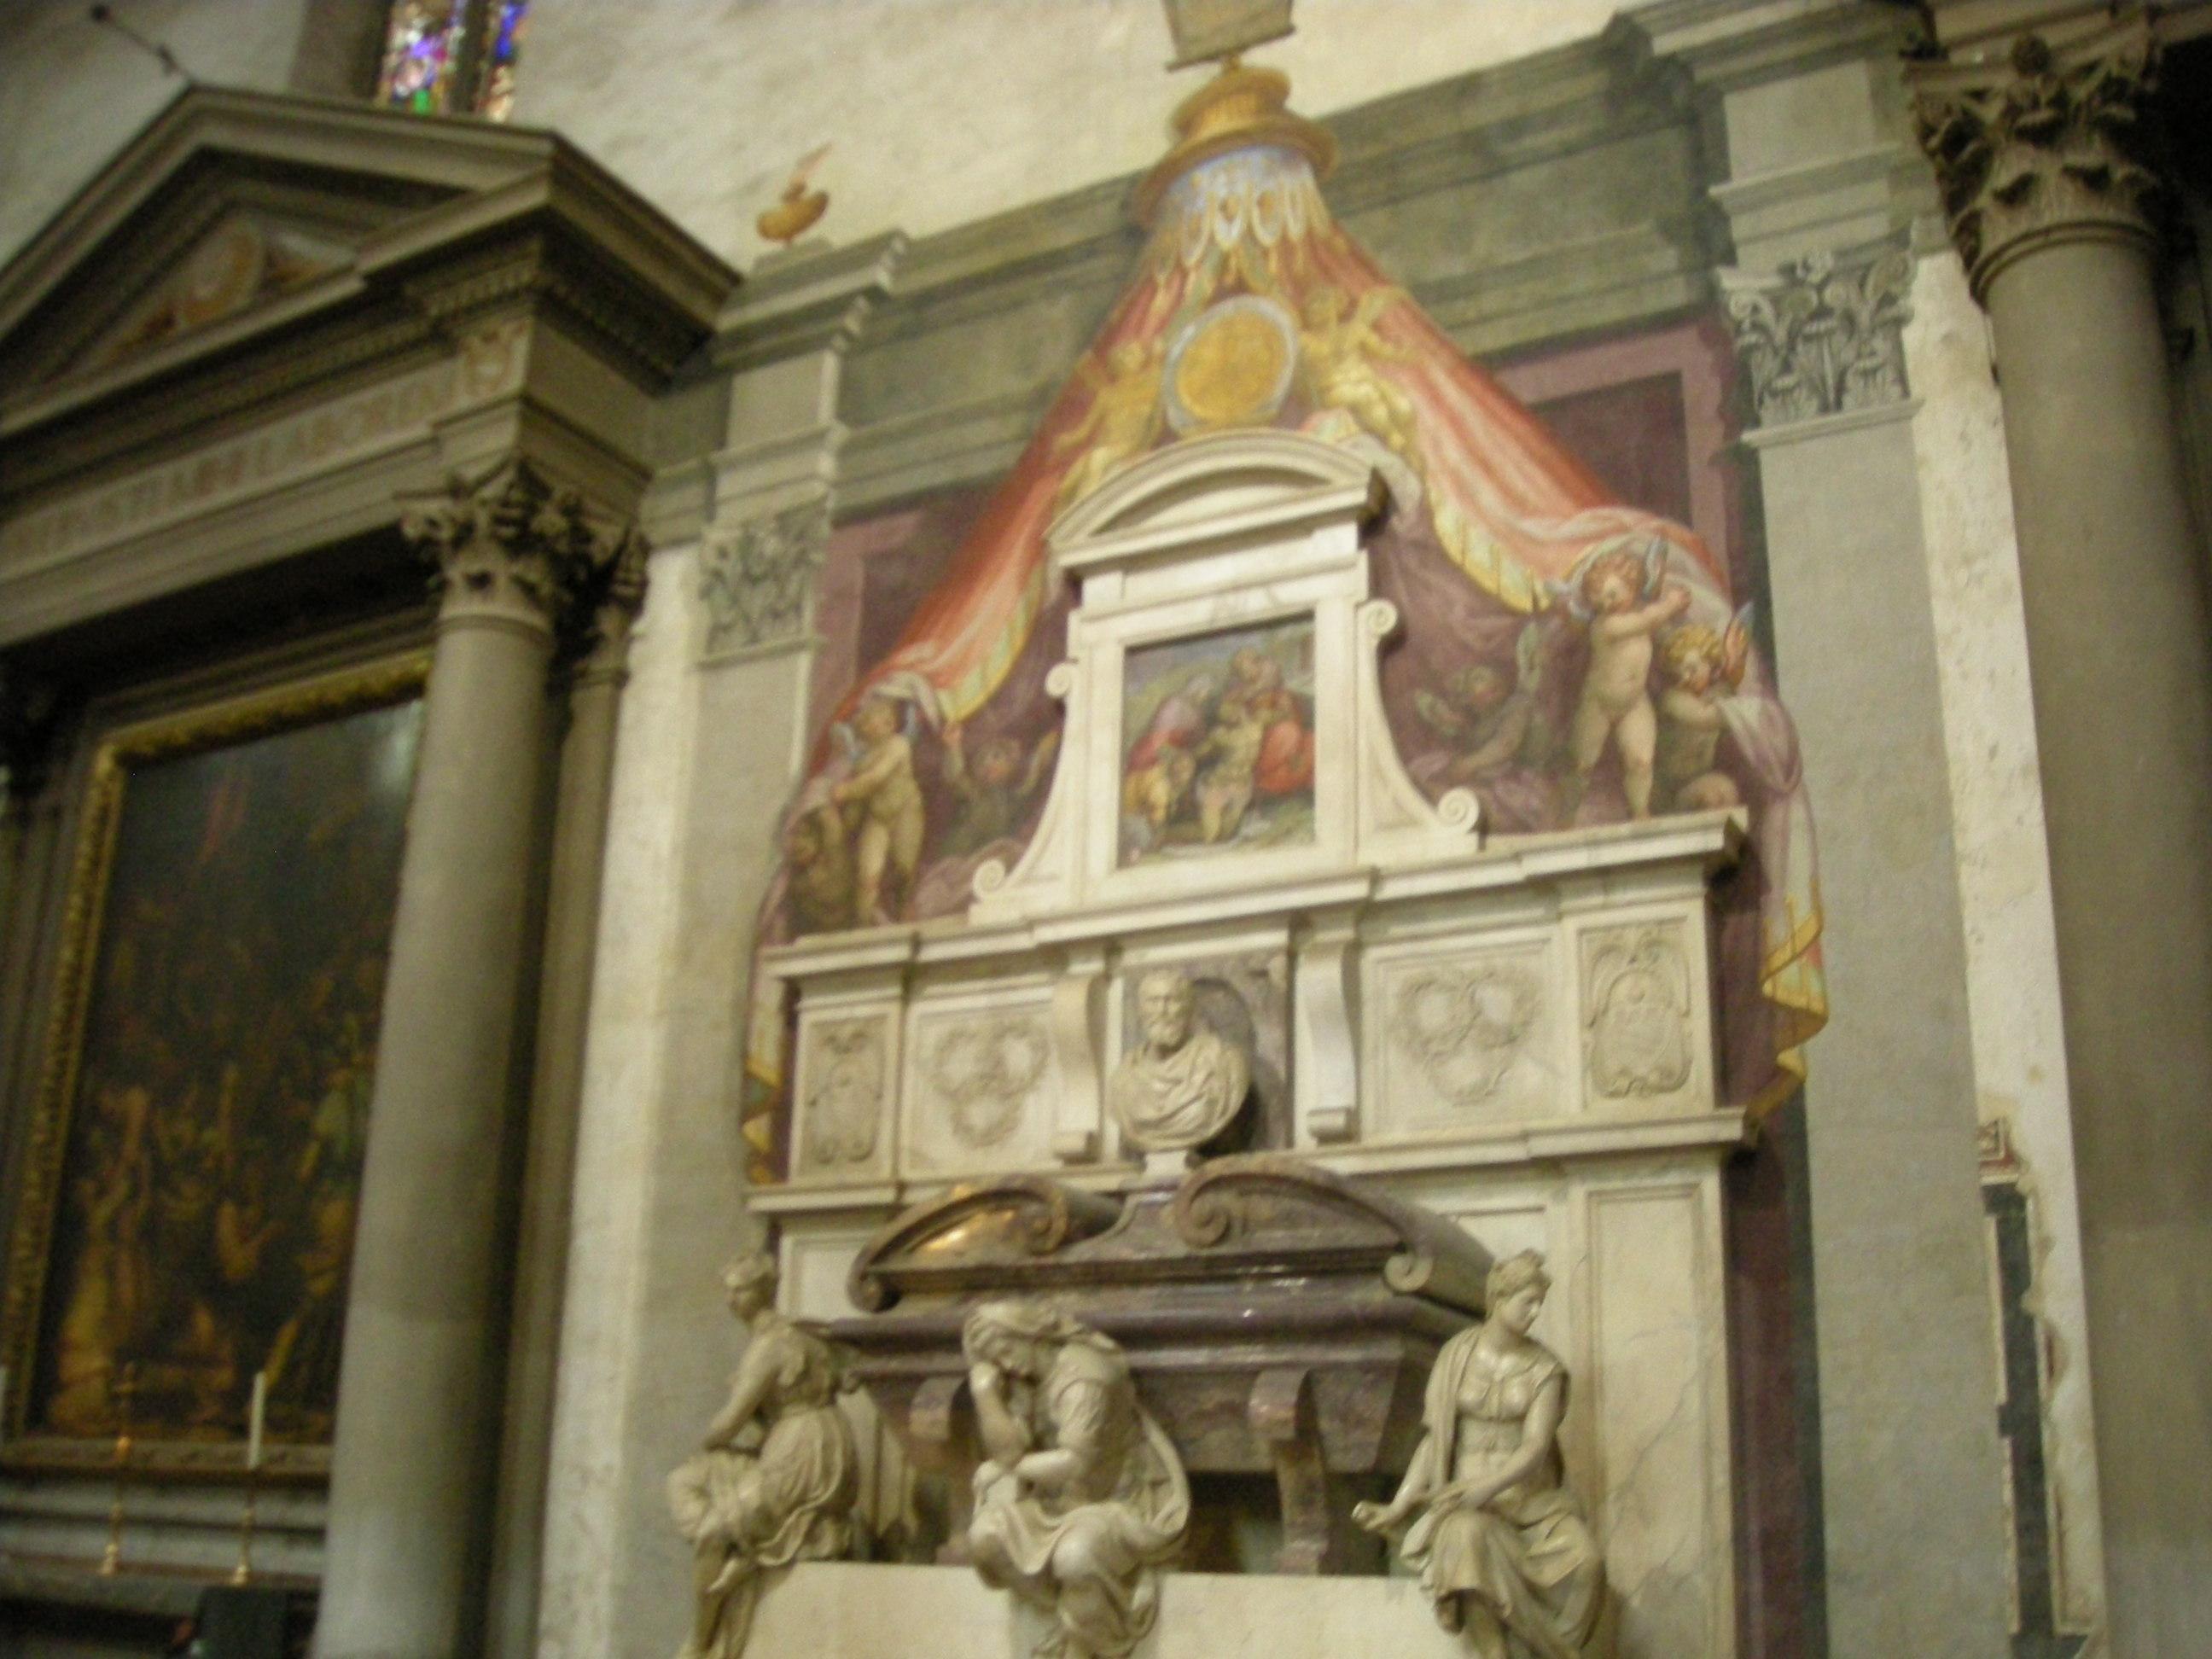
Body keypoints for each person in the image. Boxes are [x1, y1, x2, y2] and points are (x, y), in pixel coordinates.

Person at [1353, 1251, 1607, 1658]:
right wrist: (1398, 1507)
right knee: (1465, 1536)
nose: (1535, 1312)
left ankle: (1552, 1651)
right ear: (1499, 1298)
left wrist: (1487, 1487)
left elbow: (1535, 1446)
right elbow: (1436, 1440)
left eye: (1540, 1303)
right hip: (1463, 1504)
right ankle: (1495, 1653)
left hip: (1530, 1505)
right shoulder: (1456, 1355)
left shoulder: (1545, 1370)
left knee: (1587, 1562)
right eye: (1528, 1302)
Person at [963, 1301, 1190, 1659]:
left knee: (1076, 1556)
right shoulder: (1026, 1380)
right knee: (984, 1540)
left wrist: (1010, 1469)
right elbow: (1009, 1451)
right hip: (1053, 1507)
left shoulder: (1084, 1378)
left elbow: (1075, 1463)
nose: (1005, 1363)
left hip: (1117, 1506)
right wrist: (985, 1394)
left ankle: (1089, 1642)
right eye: (995, 1358)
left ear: (1029, 1334)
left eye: (1006, 1350)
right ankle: (1075, 1617)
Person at [667, 1250, 859, 1659]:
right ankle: (741, 1558)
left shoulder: (771, 1345)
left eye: (740, 1290)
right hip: (815, 1441)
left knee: (713, 1527)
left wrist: (710, 1445)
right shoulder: (796, 1333)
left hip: (802, 1451)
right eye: (729, 1291)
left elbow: (729, 1422)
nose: (731, 1300)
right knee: (693, 1485)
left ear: (764, 1290)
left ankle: (701, 1641)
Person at [1561, 544, 1690, 822]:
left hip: (1634, 701)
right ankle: (1566, 815)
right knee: (1582, 764)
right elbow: (1645, 621)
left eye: (1612, 594)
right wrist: (1669, 605)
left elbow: (1660, 632)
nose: (1608, 604)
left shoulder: (1641, 614)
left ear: (1631, 585)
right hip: (1599, 703)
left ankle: (1640, 811)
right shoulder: (1606, 626)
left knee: (1641, 762)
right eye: (1600, 602)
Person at [831, 694, 926, 924]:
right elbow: (860, 798)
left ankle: (902, 910)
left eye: (877, 719)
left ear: (890, 724)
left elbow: (877, 777)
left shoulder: (898, 745)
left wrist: (846, 791)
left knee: (904, 868)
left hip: (906, 812)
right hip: (878, 817)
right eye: (865, 722)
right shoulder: (863, 758)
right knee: (868, 874)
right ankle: (863, 925)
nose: (869, 726)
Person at [1653, 623, 1747, 813]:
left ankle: (1729, 831)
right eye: (1678, 673)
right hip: (1670, 790)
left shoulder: (1718, 693)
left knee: (1728, 793)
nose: (1685, 678)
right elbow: (1705, 718)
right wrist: (1742, 706)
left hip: (1702, 777)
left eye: (1691, 669)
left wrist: (1734, 668)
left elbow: (1728, 693)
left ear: (1710, 664)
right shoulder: (1673, 699)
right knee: (1710, 798)